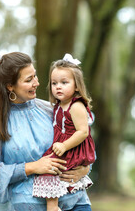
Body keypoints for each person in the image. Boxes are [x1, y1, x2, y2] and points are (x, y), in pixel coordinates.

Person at [0, 52, 93, 211]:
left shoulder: (51, 110)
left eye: (35, 76)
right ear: (10, 86)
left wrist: (84, 169)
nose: (37, 83)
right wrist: (31, 167)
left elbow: (83, 140)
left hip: (76, 203)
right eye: (29, 80)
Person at [32, 54, 96, 211]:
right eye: (54, 83)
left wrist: (65, 145)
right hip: (64, 145)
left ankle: (52, 207)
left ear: (76, 86)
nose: (58, 86)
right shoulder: (58, 106)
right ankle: (56, 203)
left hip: (73, 146)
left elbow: (83, 132)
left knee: (50, 167)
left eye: (64, 82)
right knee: (50, 166)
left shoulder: (76, 106)